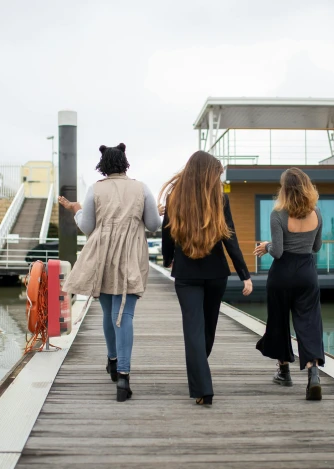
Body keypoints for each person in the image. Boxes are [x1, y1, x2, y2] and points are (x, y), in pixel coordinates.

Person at [59, 143, 160, 402]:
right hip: (131, 254)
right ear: (125, 161)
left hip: (101, 254)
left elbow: (87, 227)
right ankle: (124, 377)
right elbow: (152, 225)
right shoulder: (142, 188)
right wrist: (158, 213)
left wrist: (76, 210)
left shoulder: (95, 188)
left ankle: (113, 362)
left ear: (103, 164)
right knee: (123, 314)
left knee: (107, 312)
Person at [160, 151, 253, 406]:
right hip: (214, 274)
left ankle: (200, 377)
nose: (219, 179)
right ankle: (203, 385)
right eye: (217, 174)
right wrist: (244, 274)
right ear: (208, 174)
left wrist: (169, 259)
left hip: (189, 275)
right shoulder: (215, 199)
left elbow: (167, 236)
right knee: (204, 330)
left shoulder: (176, 198)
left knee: (198, 332)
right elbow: (230, 238)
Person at [253, 167, 324, 401]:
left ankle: (284, 371)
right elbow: (316, 247)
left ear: (285, 189)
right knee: (309, 321)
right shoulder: (317, 214)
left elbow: (279, 251)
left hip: (282, 275)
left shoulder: (278, 214)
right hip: (306, 273)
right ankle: (313, 371)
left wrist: (266, 245)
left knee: (279, 321)